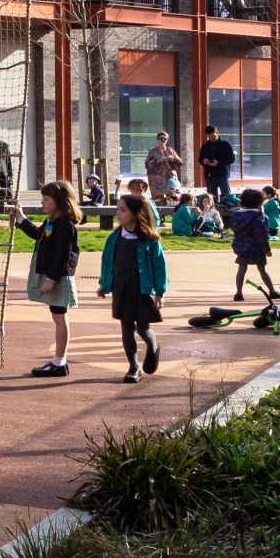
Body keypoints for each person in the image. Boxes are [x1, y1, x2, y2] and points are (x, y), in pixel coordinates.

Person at [97, 192, 168, 383]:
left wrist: (160, 292)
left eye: (122, 210)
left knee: (143, 329)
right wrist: (104, 285)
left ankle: (153, 347)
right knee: (126, 328)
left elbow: (159, 265)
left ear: (137, 213)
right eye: (117, 209)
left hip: (143, 290)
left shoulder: (150, 240)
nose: (118, 213)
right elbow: (107, 262)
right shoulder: (114, 237)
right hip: (122, 289)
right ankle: (133, 367)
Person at [13, 180, 79, 377]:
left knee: (60, 317)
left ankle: (59, 362)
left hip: (59, 277)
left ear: (59, 202)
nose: (42, 202)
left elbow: (63, 255)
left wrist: (51, 279)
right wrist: (20, 217)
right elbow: (37, 234)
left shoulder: (65, 225)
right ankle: (59, 361)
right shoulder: (51, 221)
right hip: (54, 276)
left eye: (46, 199)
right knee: (57, 316)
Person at [226, 187, 280, 307]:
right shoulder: (260, 217)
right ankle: (272, 291)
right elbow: (262, 236)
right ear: (259, 203)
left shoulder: (236, 215)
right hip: (256, 248)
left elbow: (233, 227)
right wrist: (267, 250)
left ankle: (239, 293)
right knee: (262, 269)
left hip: (242, 246)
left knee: (242, 269)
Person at [197, 125, 237, 205]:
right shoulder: (205, 146)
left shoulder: (225, 144)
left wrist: (218, 162)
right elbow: (200, 159)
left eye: (212, 135)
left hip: (222, 174)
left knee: (226, 196)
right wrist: (204, 161)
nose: (210, 138)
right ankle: (212, 213)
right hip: (210, 175)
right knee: (211, 197)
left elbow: (232, 159)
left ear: (217, 133)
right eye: (208, 136)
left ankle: (226, 214)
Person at [145, 132, 184, 207]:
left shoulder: (171, 150)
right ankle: (160, 214)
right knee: (159, 199)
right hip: (156, 179)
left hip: (170, 178)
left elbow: (179, 163)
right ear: (157, 139)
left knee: (172, 197)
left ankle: (171, 215)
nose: (163, 140)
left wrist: (172, 159)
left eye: (165, 138)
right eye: (161, 138)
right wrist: (159, 161)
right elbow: (148, 165)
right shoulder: (152, 151)